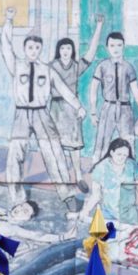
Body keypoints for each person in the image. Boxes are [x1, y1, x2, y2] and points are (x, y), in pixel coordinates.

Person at [2, 8, 83, 207]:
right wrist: (9, 22)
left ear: (40, 50)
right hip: (22, 114)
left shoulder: (47, 70)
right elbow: (5, 45)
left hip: (42, 114)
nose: (33, 51)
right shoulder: (16, 65)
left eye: (37, 48)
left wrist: (78, 106)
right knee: (16, 154)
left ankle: (66, 194)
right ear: (24, 48)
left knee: (54, 152)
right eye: (30, 47)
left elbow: (63, 89)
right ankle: (17, 199)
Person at [48, 15, 106, 187]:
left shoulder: (75, 66)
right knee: (57, 143)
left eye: (68, 48)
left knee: (75, 145)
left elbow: (91, 53)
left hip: (72, 109)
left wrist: (99, 27)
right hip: (56, 108)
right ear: (58, 50)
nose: (65, 51)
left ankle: (78, 176)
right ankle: (63, 176)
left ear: (72, 50)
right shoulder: (51, 66)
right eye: (62, 48)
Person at [87, 31, 138, 167]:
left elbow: (136, 93)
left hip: (125, 109)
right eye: (112, 45)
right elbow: (93, 90)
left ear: (123, 46)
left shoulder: (128, 67)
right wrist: (93, 112)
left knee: (128, 140)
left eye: (119, 45)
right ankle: (97, 167)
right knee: (102, 139)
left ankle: (131, 168)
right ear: (107, 47)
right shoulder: (102, 66)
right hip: (108, 107)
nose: (115, 49)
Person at [80, 138, 138, 227]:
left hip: (129, 214)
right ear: (111, 152)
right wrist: (86, 211)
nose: (122, 158)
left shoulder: (133, 165)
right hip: (108, 214)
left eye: (125, 155)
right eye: (119, 154)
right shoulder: (101, 168)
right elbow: (96, 195)